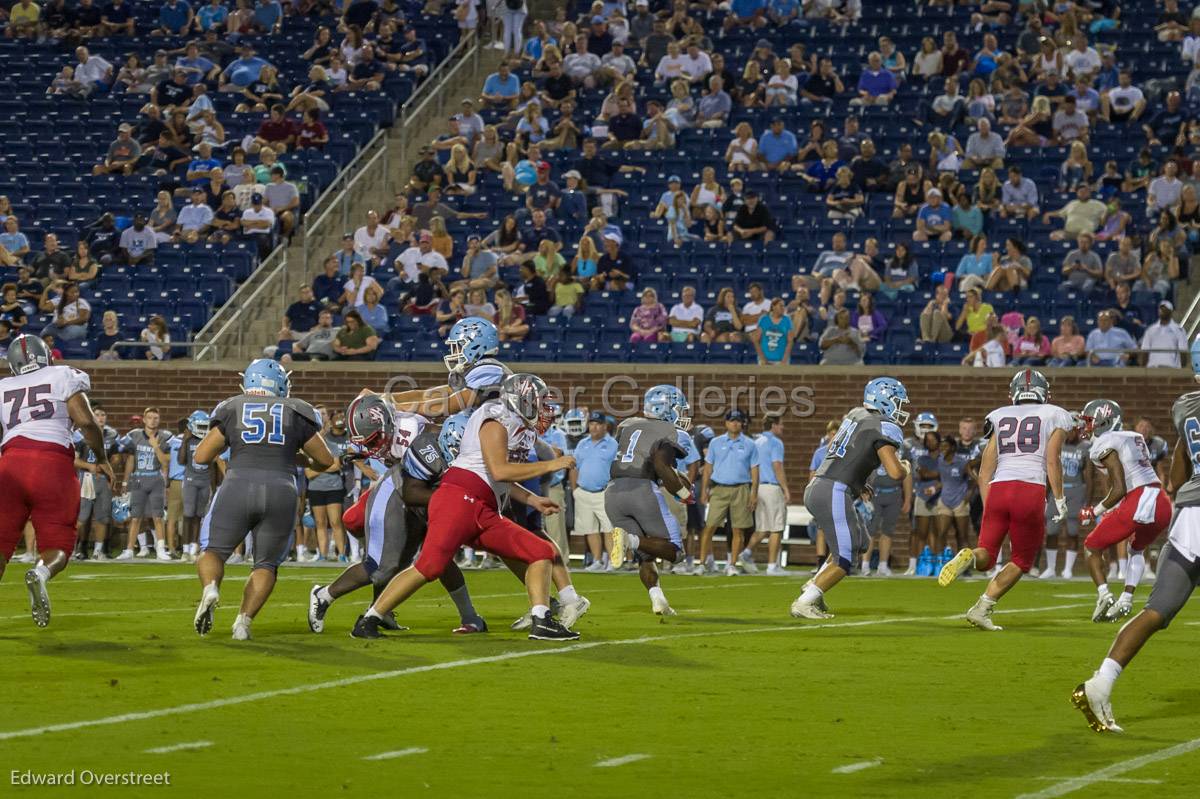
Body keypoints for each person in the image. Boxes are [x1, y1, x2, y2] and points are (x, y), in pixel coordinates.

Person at [351, 374, 578, 641]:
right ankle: (369, 620)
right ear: (523, 399)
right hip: (460, 500)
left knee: (541, 552)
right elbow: (500, 470)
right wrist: (550, 464)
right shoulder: (495, 420)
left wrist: (532, 500)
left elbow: (491, 476)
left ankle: (542, 621)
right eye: (538, 402)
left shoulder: (512, 423)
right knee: (429, 567)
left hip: (481, 507)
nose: (542, 408)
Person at [1071, 341, 1200, 732]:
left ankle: (1100, 683)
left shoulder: (1186, 406)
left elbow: (1176, 479)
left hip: (1190, 518)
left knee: (1156, 611)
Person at [311, 403, 487, 635]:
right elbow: (407, 484)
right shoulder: (385, 433)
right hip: (397, 493)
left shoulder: (413, 432)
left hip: (414, 492)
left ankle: (468, 616)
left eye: (375, 441)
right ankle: (324, 595)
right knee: (380, 565)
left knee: (436, 556)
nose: (373, 447)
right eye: (368, 443)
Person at [191, 360, 333, 640]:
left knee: (214, 551)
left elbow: (201, 456)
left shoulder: (231, 407)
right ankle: (243, 623)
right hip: (282, 488)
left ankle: (210, 588)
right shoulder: (296, 411)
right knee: (266, 564)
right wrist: (294, 455)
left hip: (238, 484)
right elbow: (326, 460)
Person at [938, 370, 1075, 631]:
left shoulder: (999, 416)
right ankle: (983, 607)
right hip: (1030, 488)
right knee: (1022, 559)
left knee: (986, 556)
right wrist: (1059, 497)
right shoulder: (1055, 414)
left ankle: (968, 557)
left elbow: (985, 472)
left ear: (1013, 393)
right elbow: (1052, 459)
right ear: (1044, 392)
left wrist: (991, 506)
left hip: (1000, 487)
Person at [0, 336, 112, 627]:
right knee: (58, 542)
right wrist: (101, 457)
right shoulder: (62, 374)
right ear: (46, 355)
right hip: (52, 462)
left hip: (9, 463)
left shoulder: (2, 386)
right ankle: (41, 572)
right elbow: (87, 422)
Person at [791, 378, 909, 619]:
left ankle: (814, 587)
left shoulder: (856, 414)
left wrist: (859, 480)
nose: (899, 407)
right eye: (896, 401)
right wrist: (906, 466)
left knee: (860, 543)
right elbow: (896, 472)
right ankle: (805, 600)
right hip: (833, 490)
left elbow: (836, 449)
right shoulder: (882, 426)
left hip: (820, 485)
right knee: (845, 558)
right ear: (883, 400)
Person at [1077, 399, 1173, 623]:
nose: (1087, 426)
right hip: (1160, 500)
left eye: (1090, 421)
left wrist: (1094, 511)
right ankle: (1126, 599)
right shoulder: (1134, 436)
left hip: (1138, 498)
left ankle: (1104, 595)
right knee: (1136, 549)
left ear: (1104, 421)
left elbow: (1119, 488)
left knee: (1092, 547)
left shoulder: (1105, 442)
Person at [606, 386, 693, 615]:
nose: (682, 415)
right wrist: (684, 494)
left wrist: (675, 476)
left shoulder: (628, 425)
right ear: (667, 409)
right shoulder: (669, 431)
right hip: (642, 489)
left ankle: (658, 599)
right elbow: (661, 465)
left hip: (613, 491)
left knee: (646, 553)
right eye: (678, 409)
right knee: (675, 551)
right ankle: (629, 541)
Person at [695, 409, 759, 577]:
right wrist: (704, 490)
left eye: (738, 420)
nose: (735, 423)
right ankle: (701, 563)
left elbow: (754, 471)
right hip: (719, 488)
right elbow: (708, 468)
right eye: (732, 420)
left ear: (742, 423)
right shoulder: (716, 442)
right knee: (709, 526)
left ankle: (732, 565)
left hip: (741, 488)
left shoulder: (750, 444)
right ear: (726, 423)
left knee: (738, 529)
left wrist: (754, 494)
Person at [115, 407, 173, 561]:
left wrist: (155, 446)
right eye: (150, 417)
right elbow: (130, 459)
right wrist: (125, 482)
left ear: (159, 420)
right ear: (144, 419)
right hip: (139, 479)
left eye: (156, 418)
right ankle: (128, 550)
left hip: (156, 479)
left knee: (158, 516)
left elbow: (166, 461)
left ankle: (160, 549)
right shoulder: (134, 435)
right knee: (135, 517)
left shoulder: (164, 437)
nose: (153, 421)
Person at [1040, 426, 1092, 580]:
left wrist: (1087, 503)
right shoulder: (1056, 444)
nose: (1070, 433)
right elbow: (1050, 471)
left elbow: (1089, 477)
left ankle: (1068, 569)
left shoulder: (1085, 447)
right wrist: (1044, 496)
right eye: (1068, 430)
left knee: (1073, 530)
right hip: (1057, 490)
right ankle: (1050, 568)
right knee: (1051, 530)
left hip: (1076, 490)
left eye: (1073, 430)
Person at [571, 411, 618, 571]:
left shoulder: (613, 444)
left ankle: (612, 562)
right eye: (591, 423)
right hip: (583, 491)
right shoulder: (582, 444)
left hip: (604, 492)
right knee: (590, 529)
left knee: (608, 528)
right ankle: (597, 560)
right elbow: (574, 467)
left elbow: (618, 469)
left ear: (605, 426)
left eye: (598, 424)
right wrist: (575, 489)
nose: (594, 427)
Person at [1141, 301, 1189, 368]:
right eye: (1161, 309)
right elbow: (1145, 351)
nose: (1163, 311)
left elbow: (1183, 352)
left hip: (1172, 369)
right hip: (1153, 369)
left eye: (1165, 309)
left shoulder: (1179, 330)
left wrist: (1182, 370)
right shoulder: (1150, 330)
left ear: (1171, 312)